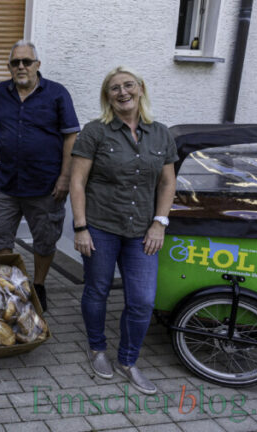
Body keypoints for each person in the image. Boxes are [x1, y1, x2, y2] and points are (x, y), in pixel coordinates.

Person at [70, 66, 177, 394]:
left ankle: (128, 360)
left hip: (142, 232)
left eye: (128, 85)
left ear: (141, 89)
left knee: (143, 301)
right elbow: (77, 180)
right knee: (97, 290)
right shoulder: (95, 132)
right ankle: (98, 349)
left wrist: (160, 222)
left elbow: (168, 181)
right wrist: (81, 227)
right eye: (114, 88)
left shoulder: (160, 133)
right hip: (101, 227)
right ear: (108, 97)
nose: (122, 92)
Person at [0, 40, 80, 311]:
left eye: (27, 61)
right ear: (9, 67)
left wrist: (64, 177)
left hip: (46, 185)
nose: (21, 66)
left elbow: (71, 136)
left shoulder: (57, 94)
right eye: (16, 62)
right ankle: (8, 286)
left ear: (37, 65)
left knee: (46, 239)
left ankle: (38, 284)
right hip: (7, 183)